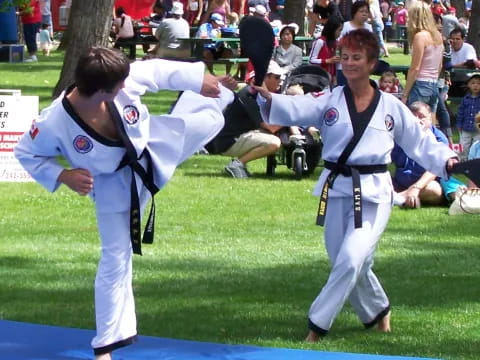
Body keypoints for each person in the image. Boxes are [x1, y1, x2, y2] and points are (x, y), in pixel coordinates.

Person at [14, 47, 236, 360]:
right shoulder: (53, 121)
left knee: (211, 119)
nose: (125, 85)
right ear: (100, 90)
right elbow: (26, 152)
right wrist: (63, 174)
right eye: (119, 85)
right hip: (112, 187)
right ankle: (107, 344)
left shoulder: (119, 80)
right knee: (115, 258)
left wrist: (199, 80)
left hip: (156, 146)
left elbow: (156, 70)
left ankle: (223, 93)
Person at [253, 29, 458, 340]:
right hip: (336, 188)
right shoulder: (330, 99)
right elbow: (298, 107)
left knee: (350, 259)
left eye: (357, 58)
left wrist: (448, 161)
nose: (349, 64)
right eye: (345, 57)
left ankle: (317, 327)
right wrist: (266, 96)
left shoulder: (391, 106)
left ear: (372, 63)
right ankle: (379, 309)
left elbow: (421, 144)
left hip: (374, 192)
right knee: (347, 262)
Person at [206, 60, 284, 178]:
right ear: (264, 78)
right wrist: (294, 119)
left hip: (238, 136)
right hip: (228, 142)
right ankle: (237, 164)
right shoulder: (248, 96)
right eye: (277, 77)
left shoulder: (258, 94)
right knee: (274, 142)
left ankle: (240, 164)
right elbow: (271, 127)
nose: (280, 81)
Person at [391, 101, 464, 208]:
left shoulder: (439, 137)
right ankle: (406, 198)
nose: (417, 120)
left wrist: (416, 187)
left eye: (422, 117)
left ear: (430, 118)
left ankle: (398, 198)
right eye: (413, 117)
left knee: (433, 189)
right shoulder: (399, 136)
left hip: (425, 186)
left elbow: (435, 168)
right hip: (400, 183)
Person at [402, 1, 444, 128]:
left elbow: (415, 68)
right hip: (433, 85)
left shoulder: (420, 37)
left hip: (420, 84)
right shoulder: (437, 35)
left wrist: (405, 94)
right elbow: (440, 65)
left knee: (415, 125)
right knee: (430, 125)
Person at [336, 1, 372, 85]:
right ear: (354, 13)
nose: (364, 14)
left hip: (362, 66)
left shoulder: (369, 28)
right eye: (361, 11)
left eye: (366, 12)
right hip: (344, 66)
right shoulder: (345, 26)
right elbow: (338, 44)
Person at [308, 16, 343, 86]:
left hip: (331, 79)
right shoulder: (320, 41)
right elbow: (311, 60)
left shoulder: (336, 43)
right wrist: (327, 61)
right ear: (332, 29)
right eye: (339, 30)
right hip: (319, 78)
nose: (340, 33)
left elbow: (335, 63)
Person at [456, 73, 480, 160]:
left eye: (478, 83)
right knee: (463, 146)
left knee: (476, 146)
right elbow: (460, 112)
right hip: (466, 128)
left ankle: (473, 162)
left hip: (478, 130)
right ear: (468, 85)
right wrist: (459, 124)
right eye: (473, 83)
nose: (476, 85)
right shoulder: (465, 99)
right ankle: (462, 162)